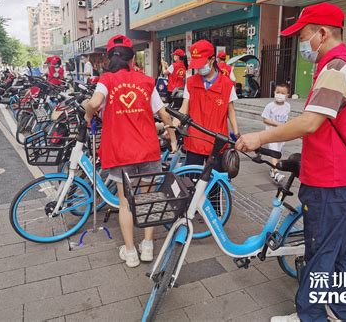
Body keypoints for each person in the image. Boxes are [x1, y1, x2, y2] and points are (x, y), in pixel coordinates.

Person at [235, 3, 346, 322]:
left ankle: (311, 317)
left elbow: (310, 122)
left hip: (330, 182)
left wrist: (260, 137)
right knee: (342, 252)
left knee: (320, 254)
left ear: (323, 33)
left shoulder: (336, 68)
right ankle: (339, 314)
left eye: (304, 35)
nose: (302, 43)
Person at [84, 34, 177, 268]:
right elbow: (163, 113)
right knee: (147, 198)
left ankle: (130, 252)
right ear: (132, 58)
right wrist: (172, 136)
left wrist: (88, 114)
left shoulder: (106, 79)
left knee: (124, 203)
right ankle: (147, 246)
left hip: (120, 152)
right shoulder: (146, 81)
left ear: (109, 58)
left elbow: (94, 103)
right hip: (147, 149)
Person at [176, 39, 239, 170]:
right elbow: (184, 107)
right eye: (196, 65)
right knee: (192, 180)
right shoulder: (191, 82)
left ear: (212, 59)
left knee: (214, 185)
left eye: (202, 64)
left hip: (217, 142)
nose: (199, 68)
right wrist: (173, 125)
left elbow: (230, 111)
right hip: (195, 141)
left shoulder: (227, 84)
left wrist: (237, 133)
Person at [261, 83, 290, 183]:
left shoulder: (287, 106)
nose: (280, 94)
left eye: (283, 93)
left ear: (287, 95)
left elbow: (286, 120)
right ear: (274, 92)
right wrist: (276, 124)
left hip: (282, 135)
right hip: (271, 134)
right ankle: (276, 172)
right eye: (278, 92)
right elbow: (265, 119)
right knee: (274, 152)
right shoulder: (270, 106)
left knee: (278, 153)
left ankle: (272, 169)